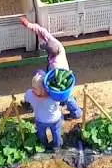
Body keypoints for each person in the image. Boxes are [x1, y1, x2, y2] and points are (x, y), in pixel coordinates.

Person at [18, 16, 80, 151]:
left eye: (46, 51)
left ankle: (76, 113)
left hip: (61, 85)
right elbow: (42, 31)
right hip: (55, 115)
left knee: (66, 98)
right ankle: (57, 145)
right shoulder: (56, 44)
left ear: (51, 54)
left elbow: (52, 85)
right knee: (57, 127)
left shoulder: (56, 67)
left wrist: (43, 89)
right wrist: (28, 25)